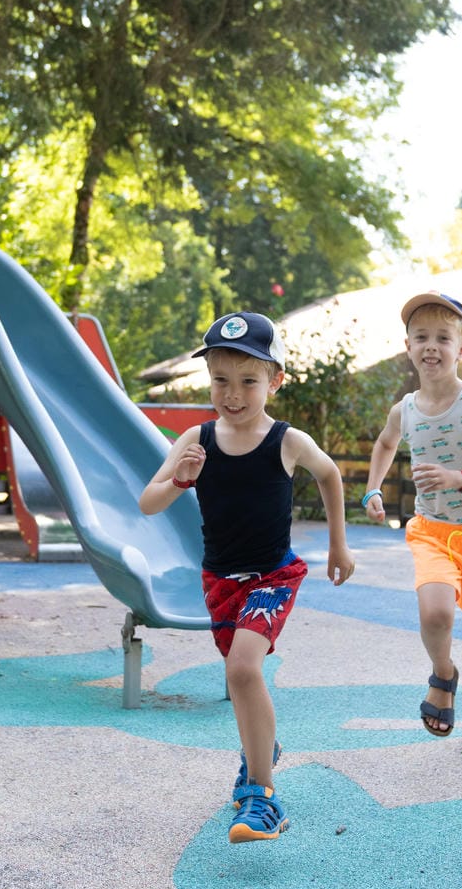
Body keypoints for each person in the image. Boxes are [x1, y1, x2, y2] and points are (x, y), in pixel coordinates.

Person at [140, 311, 357, 843]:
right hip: (220, 581)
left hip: (273, 575)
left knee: (241, 670)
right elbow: (149, 502)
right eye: (220, 381)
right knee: (243, 681)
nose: (232, 394)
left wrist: (338, 544)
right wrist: (180, 481)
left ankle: (262, 797)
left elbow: (329, 475)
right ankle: (262, 748)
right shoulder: (198, 437)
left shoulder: (285, 441)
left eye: (248, 381)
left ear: (275, 381)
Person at [362, 291, 462, 755]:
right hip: (432, 531)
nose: (431, 346)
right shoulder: (404, 409)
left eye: (443, 338)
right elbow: (386, 444)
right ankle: (443, 674)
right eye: (421, 337)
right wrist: (373, 487)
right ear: (407, 346)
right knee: (435, 613)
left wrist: (457, 477)